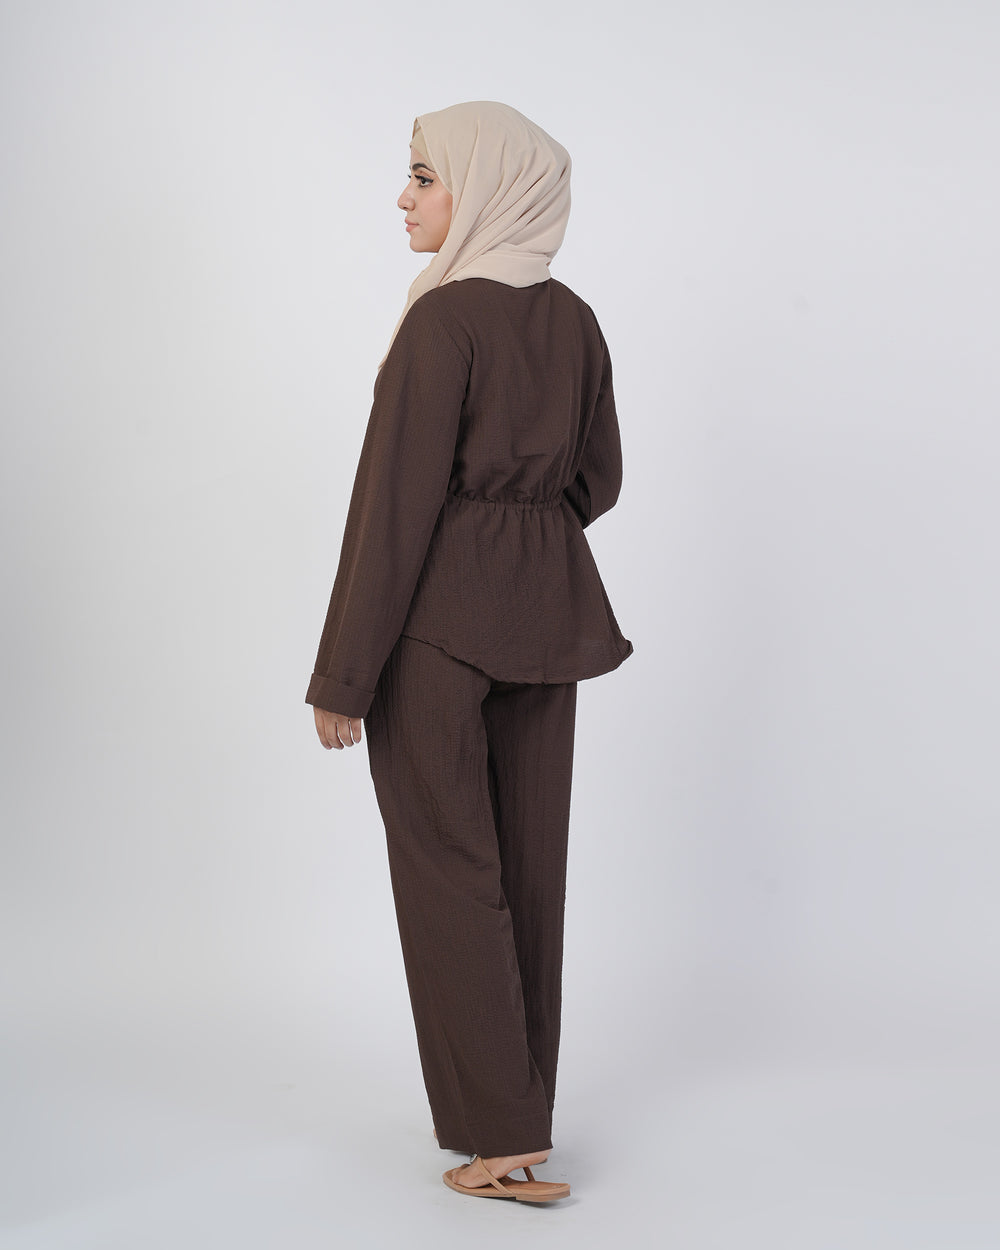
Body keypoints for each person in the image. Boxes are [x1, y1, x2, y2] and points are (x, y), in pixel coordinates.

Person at [306, 101, 633, 1204]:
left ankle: (499, 1138)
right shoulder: (575, 321)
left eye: (423, 176)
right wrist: (522, 541)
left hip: (435, 633)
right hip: (549, 622)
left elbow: (391, 511)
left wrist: (343, 675)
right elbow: (598, 479)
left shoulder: (442, 323)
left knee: (450, 875)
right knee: (528, 871)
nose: (403, 198)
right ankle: (519, 1125)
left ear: (486, 186)